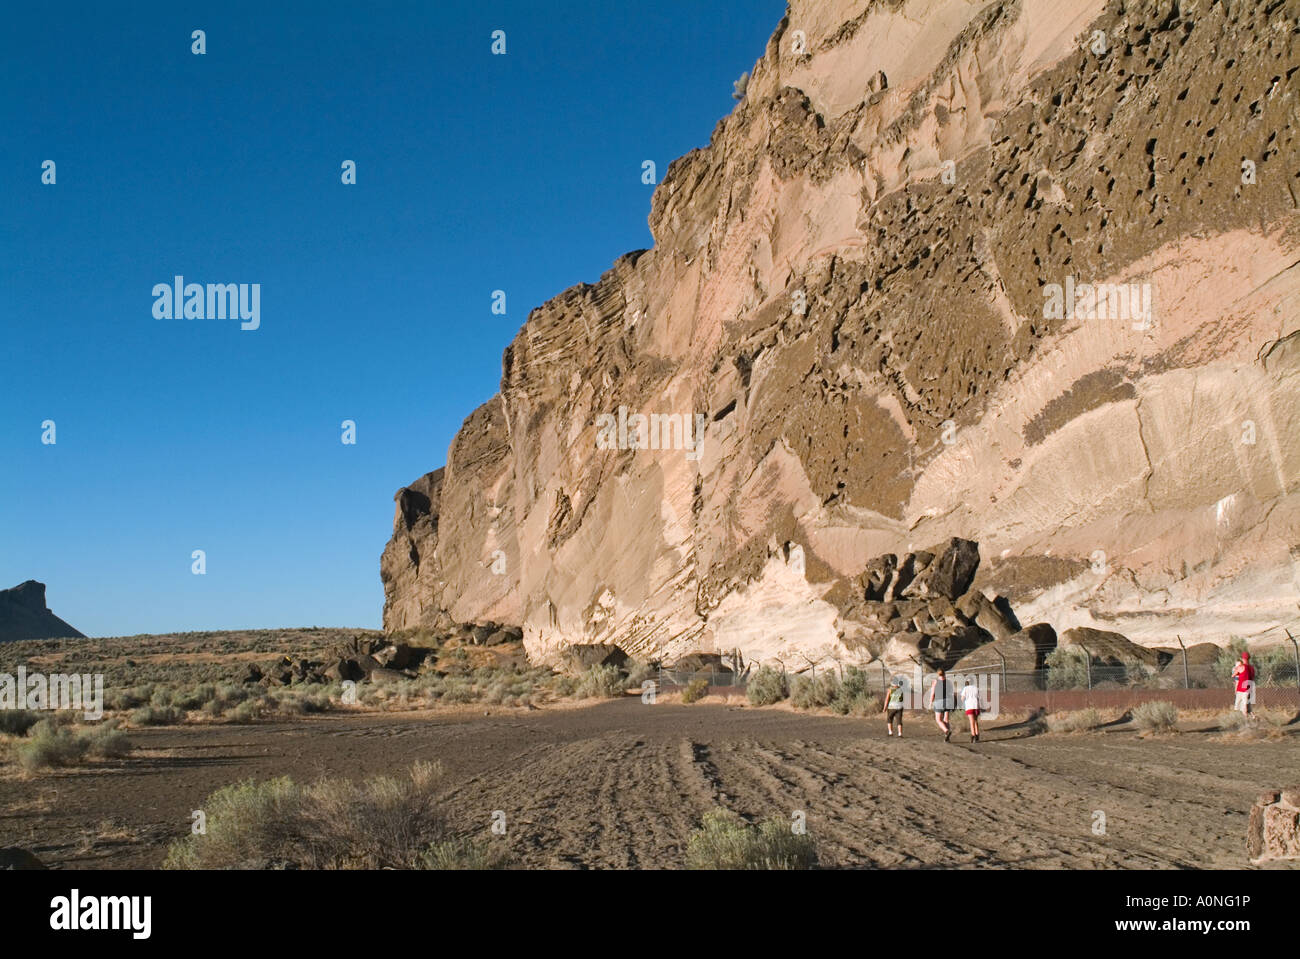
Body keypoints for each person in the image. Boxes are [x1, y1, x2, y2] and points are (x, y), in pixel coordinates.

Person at [927, 668, 953, 741]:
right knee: (946, 719)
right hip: (948, 701)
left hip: (939, 701)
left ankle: (946, 731)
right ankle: (947, 738)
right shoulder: (948, 682)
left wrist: (930, 703)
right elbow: (951, 692)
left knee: (938, 720)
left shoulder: (935, 682)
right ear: (944, 673)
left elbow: (932, 694)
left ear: (937, 674)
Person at [1231, 650, 1255, 720]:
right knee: (1247, 704)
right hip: (1249, 687)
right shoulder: (1252, 668)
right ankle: (1253, 717)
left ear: (1242, 658)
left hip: (1242, 688)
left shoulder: (1241, 667)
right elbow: (1252, 677)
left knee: (1242, 706)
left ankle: (1246, 722)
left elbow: (1233, 675)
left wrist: (1236, 669)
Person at [960, 676, 982, 742]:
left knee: (971, 722)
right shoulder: (976, 688)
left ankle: (973, 735)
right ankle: (977, 735)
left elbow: (962, 698)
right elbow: (979, 697)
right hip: (976, 706)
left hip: (969, 706)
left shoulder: (965, 688)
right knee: (975, 721)